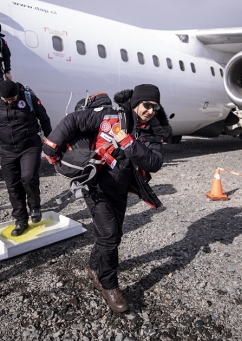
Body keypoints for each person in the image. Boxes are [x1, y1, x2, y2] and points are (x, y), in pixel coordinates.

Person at [42, 84, 171, 313]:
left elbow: (154, 163)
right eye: (146, 105)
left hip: (120, 188)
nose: (150, 110)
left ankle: (94, 266)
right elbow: (74, 121)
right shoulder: (111, 116)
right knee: (110, 235)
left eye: (155, 106)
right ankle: (109, 284)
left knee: (112, 234)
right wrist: (51, 144)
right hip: (95, 183)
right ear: (136, 102)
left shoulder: (153, 131)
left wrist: (129, 143)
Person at [0, 80, 52, 236]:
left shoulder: (29, 98)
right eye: (7, 100)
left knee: (28, 177)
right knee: (12, 185)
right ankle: (20, 220)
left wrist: (50, 140)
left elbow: (44, 118)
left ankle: (35, 207)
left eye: (13, 98)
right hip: (7, 150)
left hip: (29, 146)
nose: (10, 101)